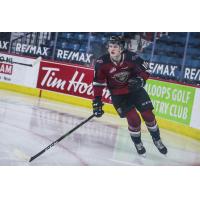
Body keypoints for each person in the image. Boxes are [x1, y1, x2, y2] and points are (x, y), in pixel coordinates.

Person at [92, 35, 167, 156]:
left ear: (121, 48)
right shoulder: (101, 63)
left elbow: (147, 70)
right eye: (110, 46)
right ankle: (138, 143)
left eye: (115, 46)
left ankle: (157, 139)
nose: (112, 49)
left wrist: (140, 80)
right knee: (134, 120)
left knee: (148, 115)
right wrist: (97, 100)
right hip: (119, 95)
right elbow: (98, 83)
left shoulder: (132, 57)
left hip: (135, 91)